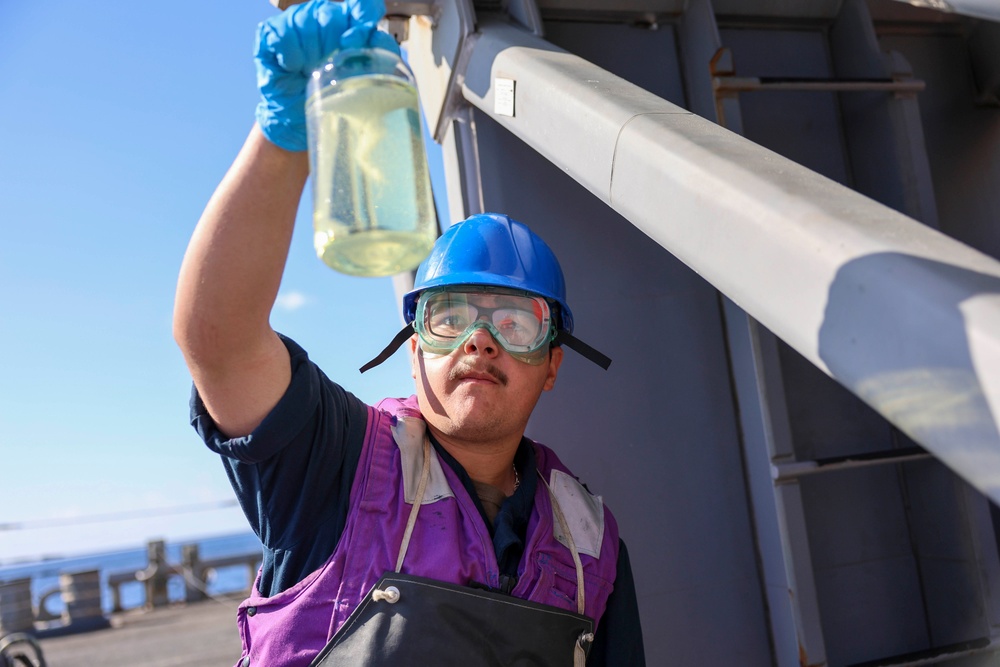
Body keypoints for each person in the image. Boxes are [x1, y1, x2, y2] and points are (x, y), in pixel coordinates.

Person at [173, 0, 646, 664]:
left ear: (552, 363)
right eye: (450, 317)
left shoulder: (591, 545)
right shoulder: (333, 467)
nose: (480, 341)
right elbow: (218, 341)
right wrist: (281, 135)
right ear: (415, 344)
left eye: (515, 322)